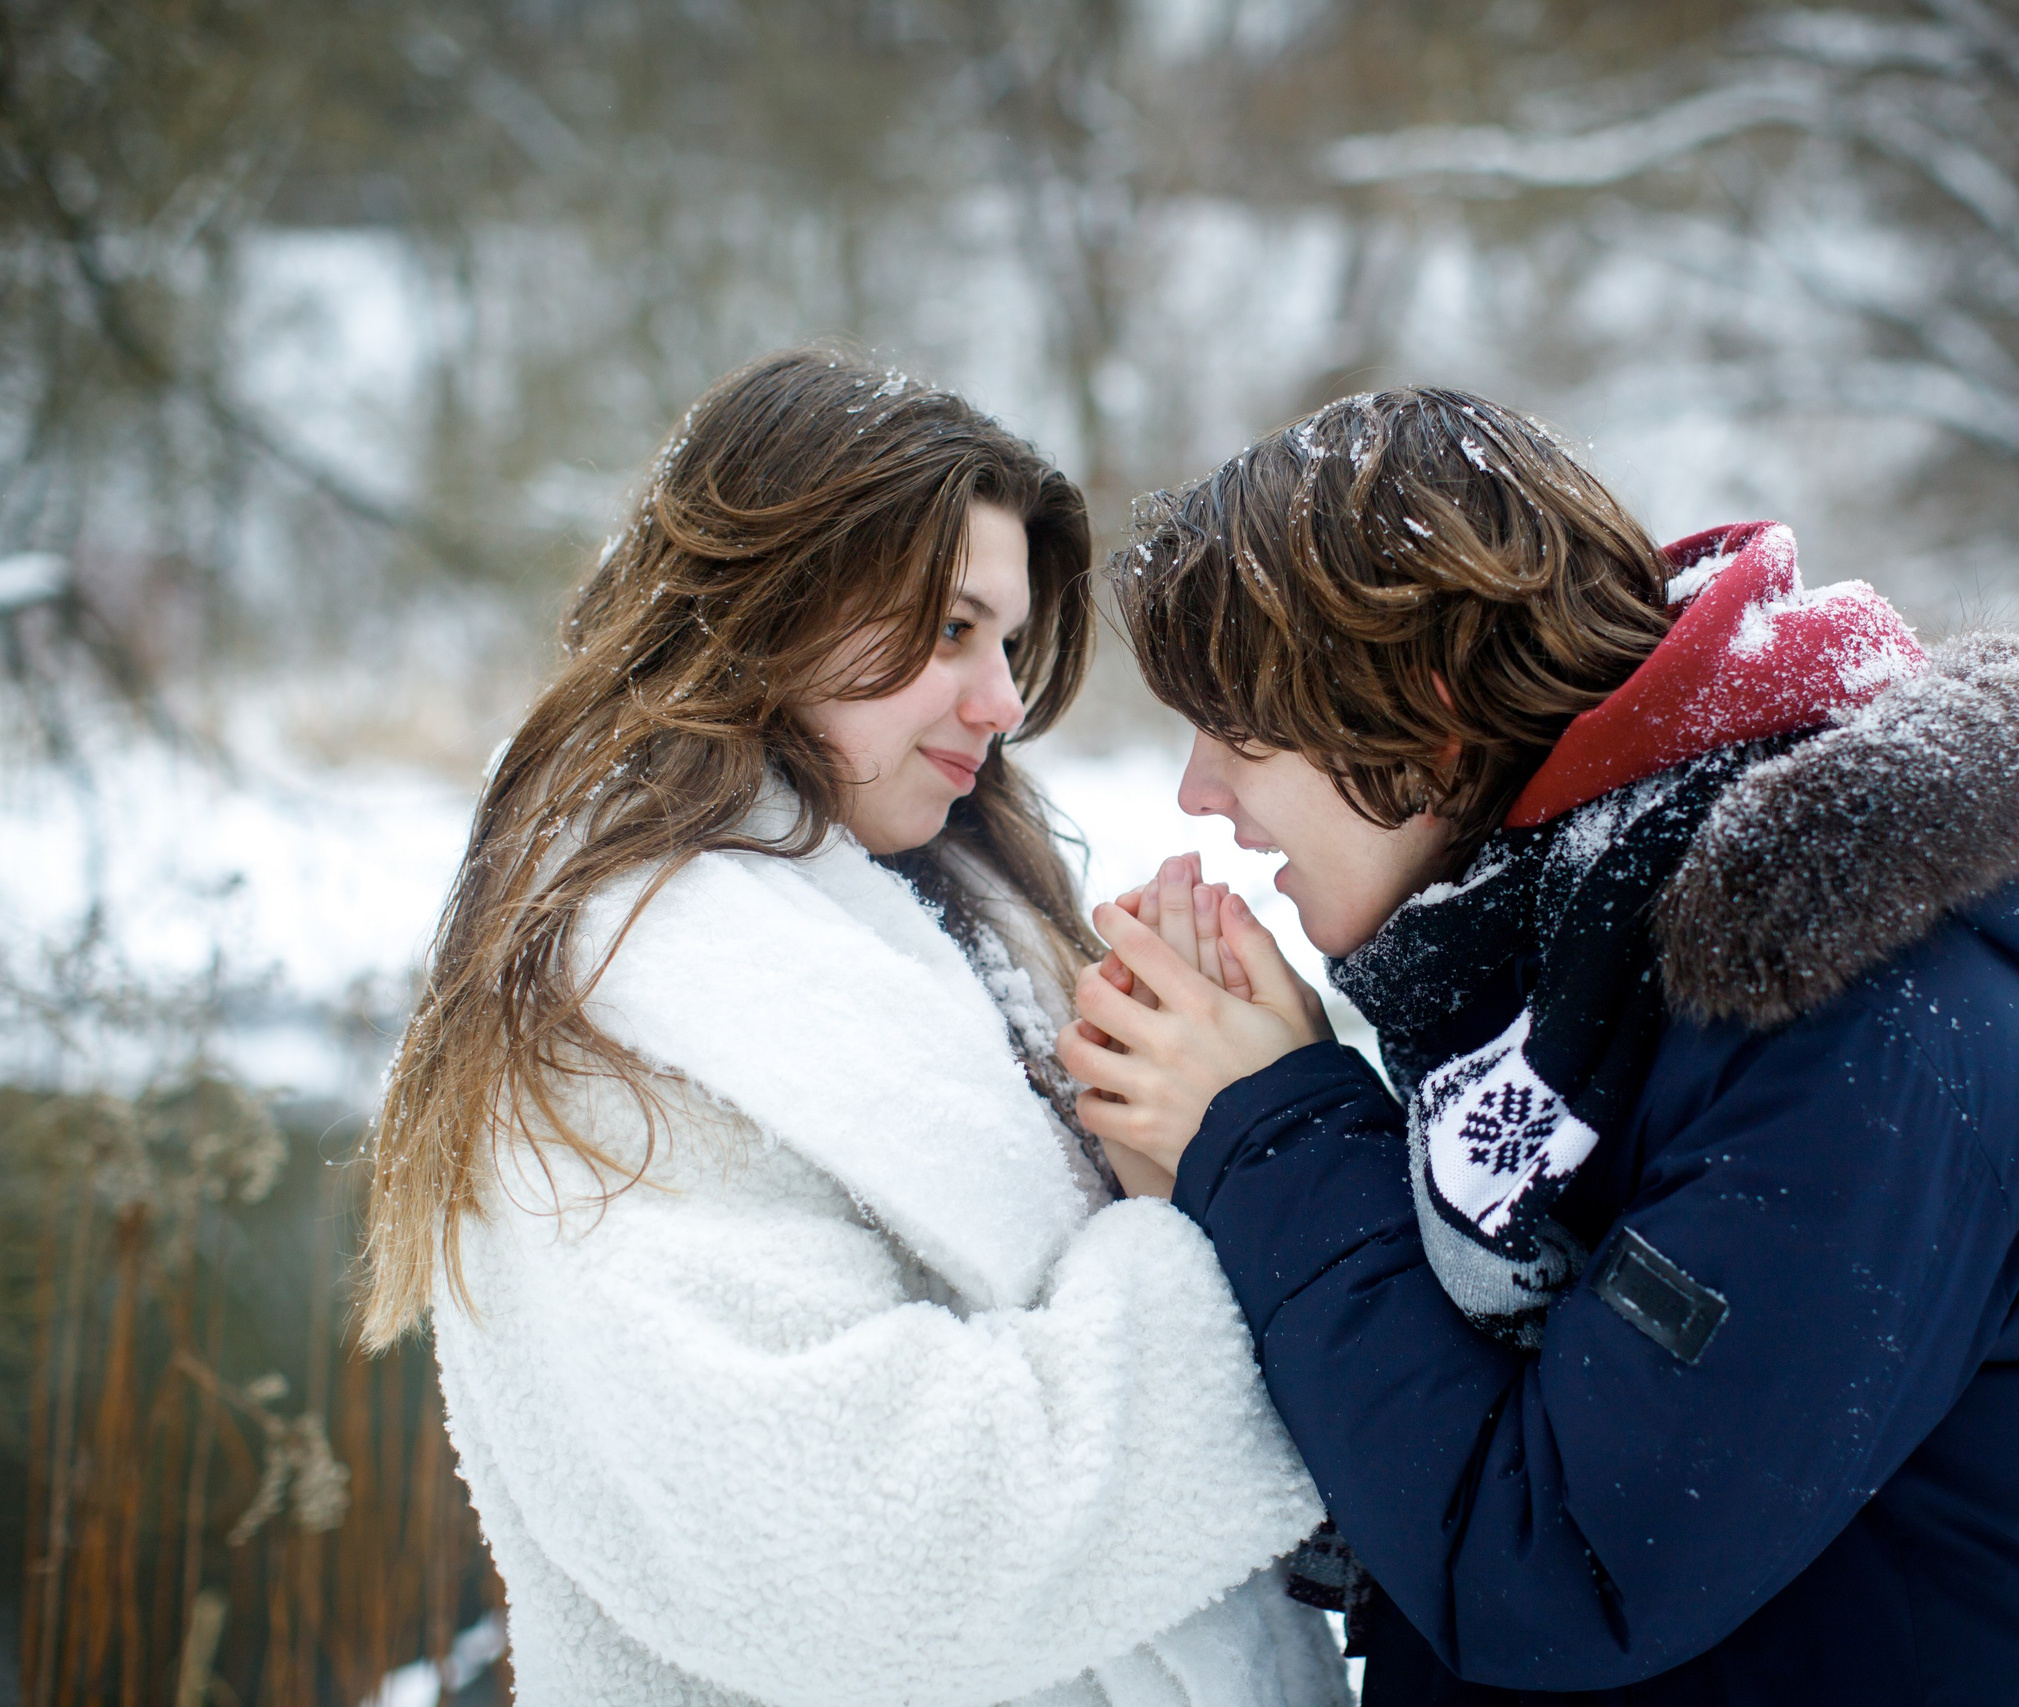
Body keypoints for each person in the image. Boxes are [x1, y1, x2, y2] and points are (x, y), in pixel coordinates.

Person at [1061, 388, 2019, 1705]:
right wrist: (1204, 1179)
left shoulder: (1862, 1028)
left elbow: (1565, 1570)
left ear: (1424, 715)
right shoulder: (1563, 978)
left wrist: (1276, 1135)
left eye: (1238, 730)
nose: (1199, 790)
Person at [359, 348, 1346, 1707]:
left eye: (1004, 643)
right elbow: (859, 1561)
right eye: (949, 630)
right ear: (769, 610)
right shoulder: (623, 1021)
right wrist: (1243, 1237)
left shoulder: (959, 927)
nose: (1001, 703)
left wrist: (1215, 1113)